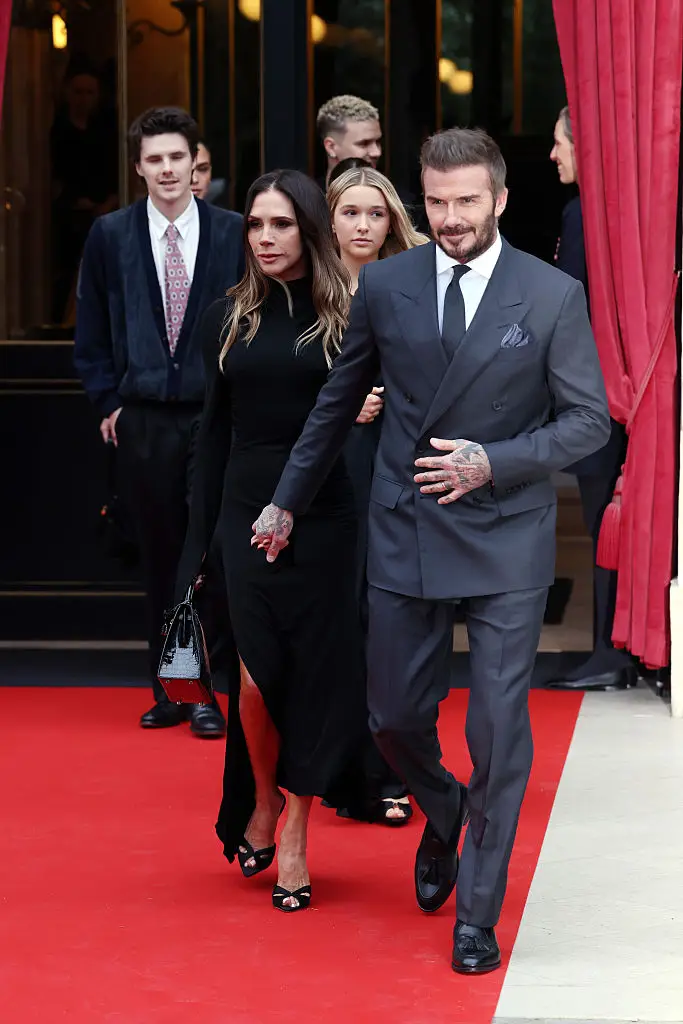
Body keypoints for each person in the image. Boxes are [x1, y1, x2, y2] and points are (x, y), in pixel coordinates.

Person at [252, 128, 610, 970]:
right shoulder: (387, 285)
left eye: (466, 202)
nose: (450, 219)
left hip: (504, 535)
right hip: (406, 523)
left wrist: (495, 461)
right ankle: (445, 812)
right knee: (394, 720)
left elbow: (588, 420)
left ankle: (476, 913)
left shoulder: (550, 294)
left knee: (495, 726)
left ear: (499, 200)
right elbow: (337, 404)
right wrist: (284, 502)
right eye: (437, 202)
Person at [175, 169, 369, 912]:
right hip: (242, 511)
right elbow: (212, 433)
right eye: (255, 224)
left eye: (281, 224)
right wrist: (199, 543)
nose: (264, 237)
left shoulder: (349, 314)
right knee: (253, 678)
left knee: (311, 677)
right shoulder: (230, 318)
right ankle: (260, 796)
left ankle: (293, 826)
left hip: (323, 514)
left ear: (309, 229)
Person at [74, 107, 244, 735]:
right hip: (143, 418)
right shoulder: (110, 236)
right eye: (155, 159)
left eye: (178, 157)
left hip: (212, 414)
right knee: (161, 553)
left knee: (203, 554)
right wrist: (108, 402)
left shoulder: (232, 233)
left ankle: (199, 690)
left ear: (196, 162)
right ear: (138, 166)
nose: (168, 169)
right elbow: (90, 329)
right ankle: (170, 687)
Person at [330, 165, 429, 825]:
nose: (363, 226)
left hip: (400, 462)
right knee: (341, 619)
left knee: (393, 617)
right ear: (329, 219)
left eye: (375, 213)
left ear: (391, 219)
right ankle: (342, 769)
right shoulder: (306, 287)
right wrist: (336, 403)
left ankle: (396, 765)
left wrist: (389, 397)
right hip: (331, 468)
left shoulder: (419, 281)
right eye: (350, 213)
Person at [547, 106, 636, 692]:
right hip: (626, 388)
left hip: (595, 393)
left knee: (605, 515)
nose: (554, 155)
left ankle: (609, 650)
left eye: (561, 144)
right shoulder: (620, 214)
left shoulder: (583, 214)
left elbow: (567, 308)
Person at [50, 66, 118, 323]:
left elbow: (116, 171)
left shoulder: (106, 130)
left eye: (89, 92)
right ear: (67, 93)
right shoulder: (56, 129)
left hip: (103, 211)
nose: (83, 98)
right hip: (67, 213)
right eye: (78, 92)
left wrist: (108, 203)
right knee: (66, 272)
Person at [316, 95, 382, 189]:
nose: (377, 152)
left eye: (378, 142)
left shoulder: (399, 202)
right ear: (331, 147)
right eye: (364, 143)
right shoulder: (305, 201)